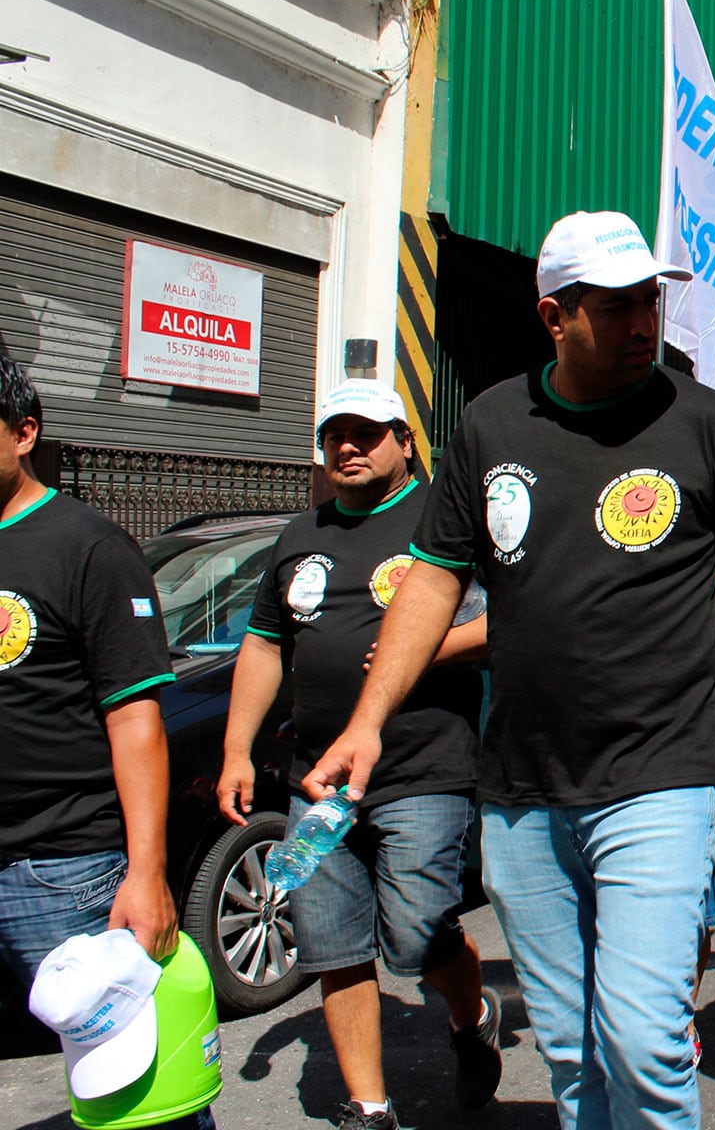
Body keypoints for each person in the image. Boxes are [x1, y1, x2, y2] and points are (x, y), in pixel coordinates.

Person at [303, 211, 715, 1130]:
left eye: (648, 304)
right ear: (553, 318)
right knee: (573, 1052)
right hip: (523, 791)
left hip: (660, 778)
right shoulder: (492, 423)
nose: (640, 327)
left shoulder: (706, 424)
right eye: (613, 309)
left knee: (642, 1036)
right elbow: (431, 583)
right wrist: (366, 722)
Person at [217, 381, 499, 1130]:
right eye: (335, 435)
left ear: (405, 443)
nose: (348, 446)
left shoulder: (445, 518)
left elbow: (511, 620)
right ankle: (369, 1106)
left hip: (423, 770)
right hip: (319, 782)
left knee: (416, 932)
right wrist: (237, 749)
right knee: (331, 944)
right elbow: (264, 645)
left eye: (367, 433)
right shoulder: (298, 536)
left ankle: (471, 1020)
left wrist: (429, 648)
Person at [0, 355, 211, 1129]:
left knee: (139, 1098)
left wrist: (148, 872)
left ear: (25, 433)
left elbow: (134, 718)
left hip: (64, 871)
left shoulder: (85, 545)